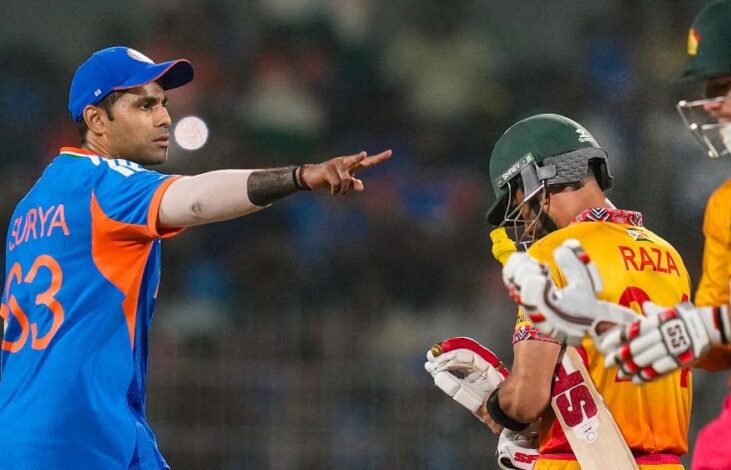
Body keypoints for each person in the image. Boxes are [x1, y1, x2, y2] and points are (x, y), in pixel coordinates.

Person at [0, 46, 391, 470]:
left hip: (32, 428)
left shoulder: (31, 207)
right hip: (79, 435)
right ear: (96, 120)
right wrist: (301, 176)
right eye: (144, 105)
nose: (164, 118)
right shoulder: (106, 183)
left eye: (163, 104)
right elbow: (195, 198)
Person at [588, 1, 731, 468]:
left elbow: (723, 323)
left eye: (723, 85)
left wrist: (708, 325)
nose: (710, 104)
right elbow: (720, 349)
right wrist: (660, 328)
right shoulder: (727, 204)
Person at [481, 113, 692, 469]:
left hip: (580, 460)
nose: (523, 216)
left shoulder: (550, 255)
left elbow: (527, 401)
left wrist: (496, 404)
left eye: (516, 200)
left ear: (533, 182)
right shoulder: (668, 254)